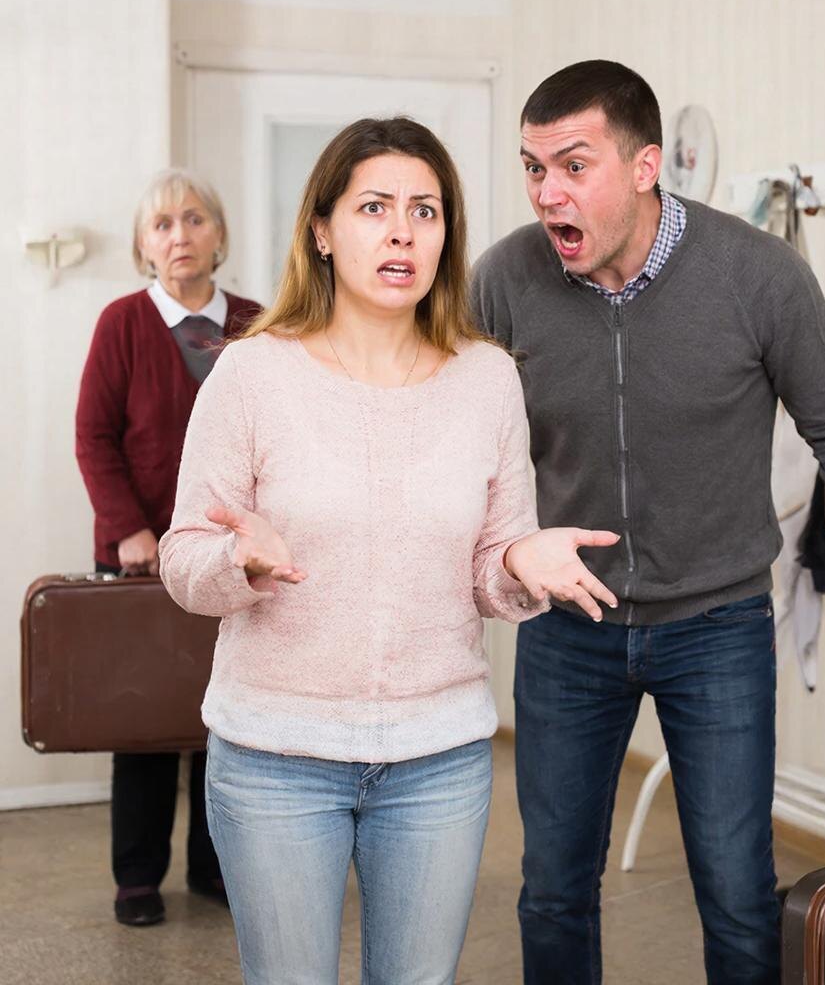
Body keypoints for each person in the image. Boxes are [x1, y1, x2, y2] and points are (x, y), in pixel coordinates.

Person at [470, 59, 825, 985]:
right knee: (553, 887)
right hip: (568, 627)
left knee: (736, 891)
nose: (547, 193)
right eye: (532, 168)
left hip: (717, 627)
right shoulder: (506, 279)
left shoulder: (756, 274)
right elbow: (455, 436)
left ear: (646, 167)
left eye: (573, 166)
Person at [158, 116, 618, 985]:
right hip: (276, 759)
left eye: (425, 210)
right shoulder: (252, 375)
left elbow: (491, 561)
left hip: (439, 761)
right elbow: (183, 560)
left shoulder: (487, 378)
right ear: (323, 232)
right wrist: (238, 564)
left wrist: (517, 564)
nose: (403, 231)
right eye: (374, 207)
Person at [75, 168, 261, 926]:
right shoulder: (121, 323)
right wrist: (128, 528)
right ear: (142, 245)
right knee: (145, 720)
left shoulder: (255, 322)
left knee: (227, 721)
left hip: (230, 560)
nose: (178, 235)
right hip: (140, 557)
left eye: (193, 219)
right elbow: (94, 437)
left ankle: (214, 868)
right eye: (161, 224)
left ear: (219, 234)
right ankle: (138, 878)